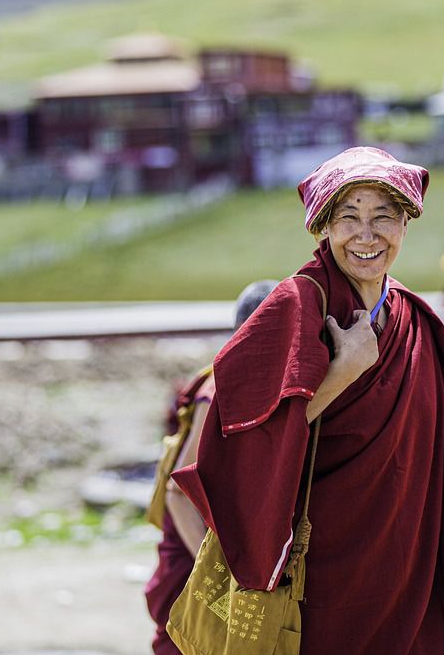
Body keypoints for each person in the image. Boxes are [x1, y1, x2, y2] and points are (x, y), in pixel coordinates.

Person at [172, 146, 444, 653]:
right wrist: (343, 371)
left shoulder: (416, 319)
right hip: (322, 566)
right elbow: (242, 436)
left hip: (400, 559)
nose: (366, 235)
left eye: (384, 217)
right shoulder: (296, 304)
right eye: (348, 218)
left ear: (406, 223)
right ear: (323, 228)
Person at [143, 279, 278, 655]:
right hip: (197, 559)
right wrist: (219, 576)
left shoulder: (252, 379)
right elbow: (178, 492)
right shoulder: (220, 386)